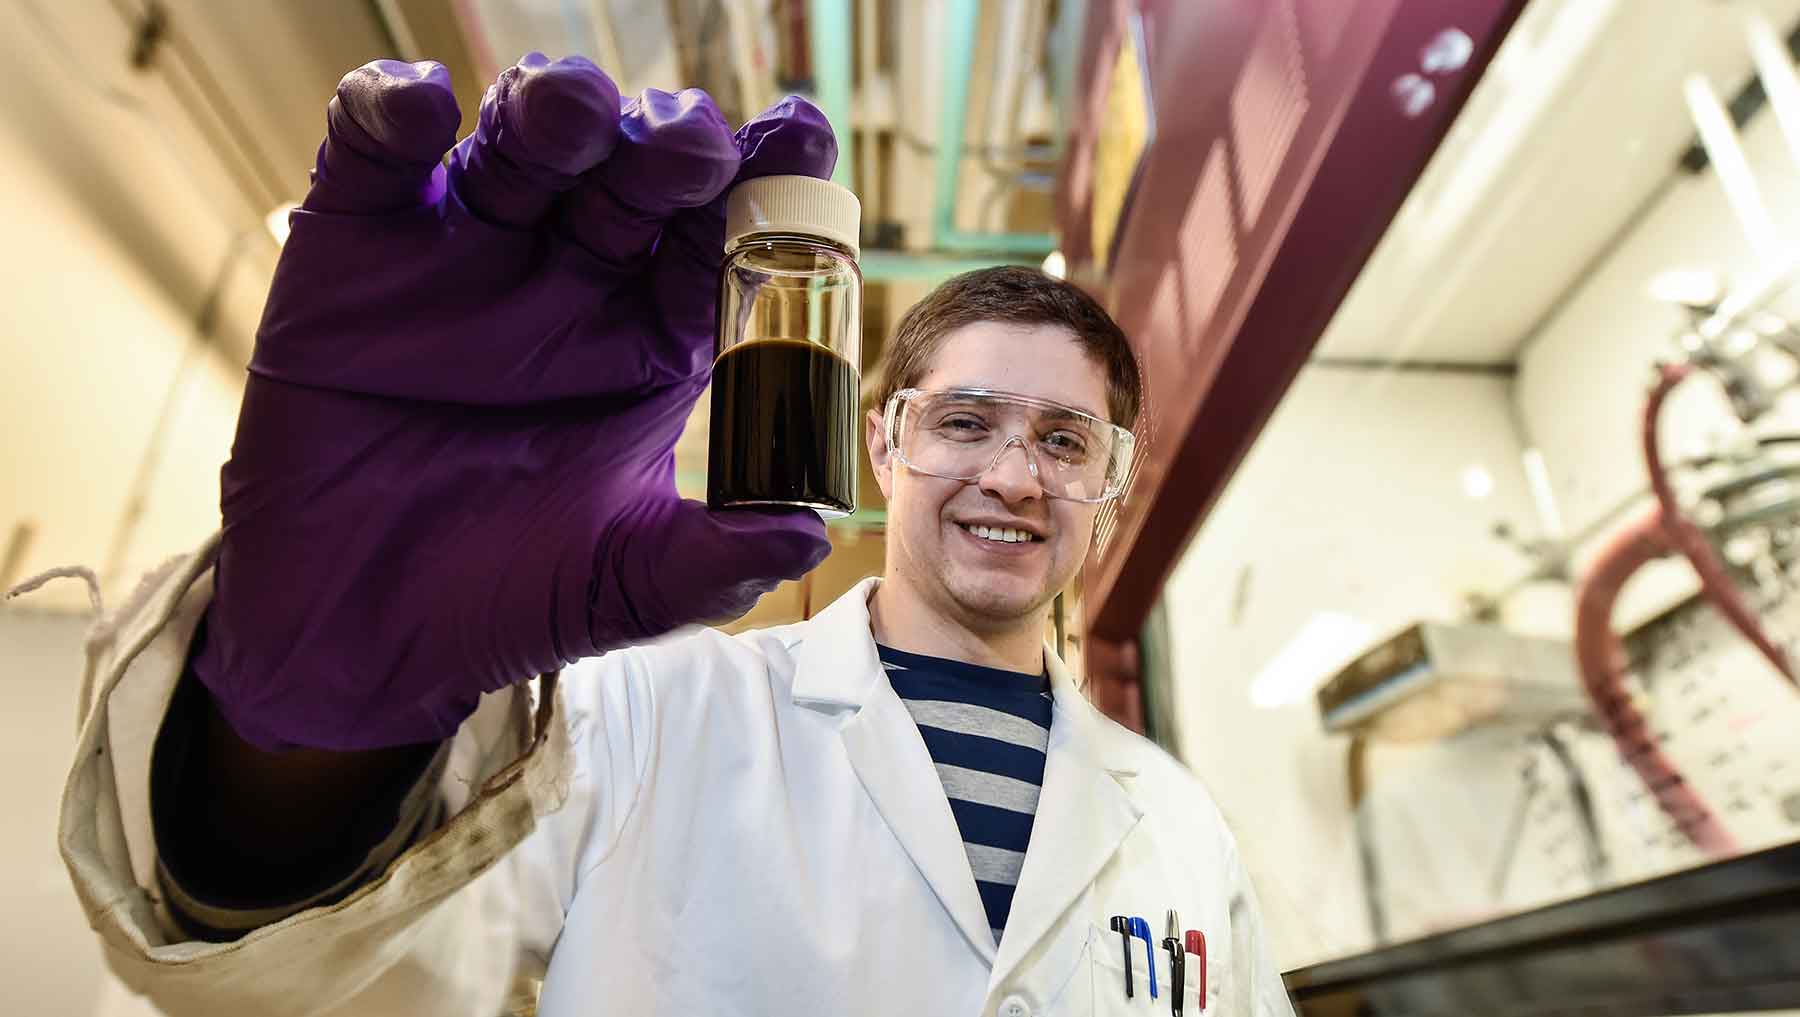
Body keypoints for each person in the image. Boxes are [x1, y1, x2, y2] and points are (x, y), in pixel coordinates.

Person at [47, 55, 1295, 1016]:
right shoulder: (645, 717)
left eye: (1067, 442)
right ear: (881, 442)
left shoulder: (1181, 825)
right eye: (964, 423)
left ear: (1110, 481)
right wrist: (306, 750)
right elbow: (330, 980)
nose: (1014, 476)